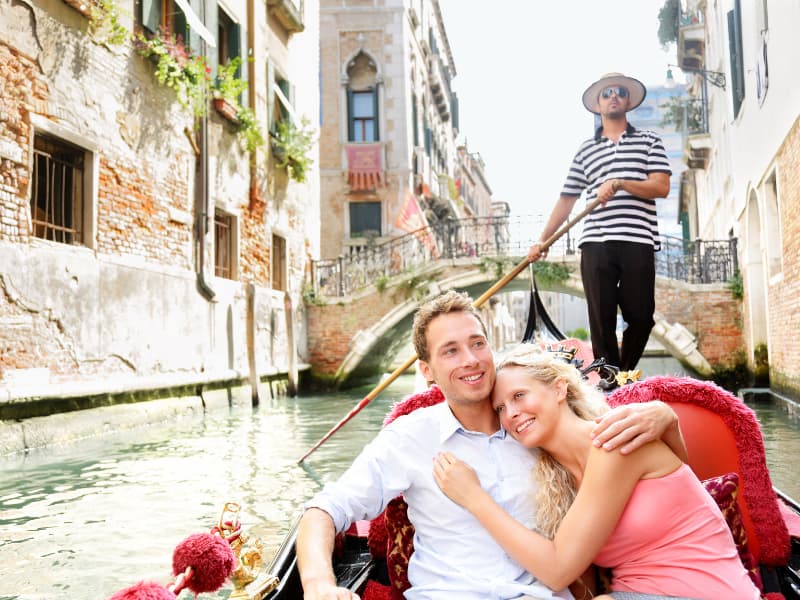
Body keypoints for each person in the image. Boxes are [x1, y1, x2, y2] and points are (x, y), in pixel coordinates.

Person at [297, 290, 686, 600]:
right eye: (451, 351)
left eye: (477, 343)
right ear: (428, 371)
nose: (471, 360)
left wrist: (666, 418)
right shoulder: (410, 437)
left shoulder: (538, 425)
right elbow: (325, 510)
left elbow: (661, 484)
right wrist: (317, 583)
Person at [433, 344, 760, 600]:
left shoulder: (613, 442)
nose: (512, 414)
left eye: (519, 396)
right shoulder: (557, 479)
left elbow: (558, 569)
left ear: (560, 390)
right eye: (500, 409)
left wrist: (474, 498)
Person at [527, 73, 671, 373]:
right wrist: (542, 241)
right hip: (596, 242)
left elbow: (661, 186)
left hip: (638, 240)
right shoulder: (585, 150)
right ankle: (609, 378)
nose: (613, 96)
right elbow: (567, 200)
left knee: (642, 316)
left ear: (628, 100)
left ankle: (624, 372)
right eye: (606, 93)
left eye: (619, 92)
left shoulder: (649, 141)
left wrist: (620, 182)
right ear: (598, 103)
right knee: (601, 318)